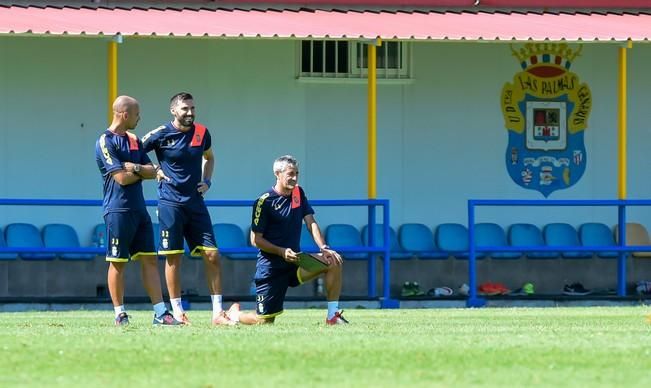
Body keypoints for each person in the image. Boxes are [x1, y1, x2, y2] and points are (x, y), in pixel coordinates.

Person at [142, 92, 233, 326]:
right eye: (185, 109)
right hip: (170, 204)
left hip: (195, 203)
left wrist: (208, 181)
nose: (190, 113)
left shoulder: (202, 132)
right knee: (174, 258)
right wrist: (154, 170)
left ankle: (217, 313)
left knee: (212, 255)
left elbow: (210, 158)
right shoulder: (160, 134)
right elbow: (136, 150)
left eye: (192, 108)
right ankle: (178, 311)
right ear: (173, 110)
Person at [225, 155, 348, 325]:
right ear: (277, 173)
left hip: (295, 263)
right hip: (271, 269)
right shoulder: (264, 201)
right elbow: (255, 240)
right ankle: (234, 315)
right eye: (290, 174)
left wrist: (324, 247)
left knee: (333, 261)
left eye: (297, 173)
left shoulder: (298, 192)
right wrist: (281, 251)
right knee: (264, 321)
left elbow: (310, 222)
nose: (295, 178)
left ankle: (332, 316)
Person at [94, 95, 180, 326]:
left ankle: (161, 313)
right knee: (117, 262)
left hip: (139, 209)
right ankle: (119, 314)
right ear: (124, 114)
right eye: (136, 113)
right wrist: (141, 172)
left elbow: (154, 170)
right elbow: (121, 178)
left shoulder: (133, 140)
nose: (139, 117)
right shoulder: (105, 140)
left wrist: (137, 168)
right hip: (117, 210)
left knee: (150, 260)